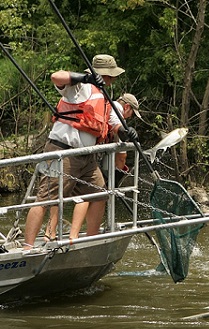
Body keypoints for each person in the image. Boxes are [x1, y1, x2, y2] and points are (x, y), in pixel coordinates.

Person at [23, 54, 138, 249]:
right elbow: (55, 76)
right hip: (63, 152)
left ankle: (91, 241)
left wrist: (127, 133)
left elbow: (114, 125)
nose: (113, 80)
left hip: (87, 158)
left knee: (100, 193)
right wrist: (85, 78)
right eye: (111, 76)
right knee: (45, 199)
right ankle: (27, 247)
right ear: (104, 74)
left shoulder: (105, 99)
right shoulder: (80, 88)